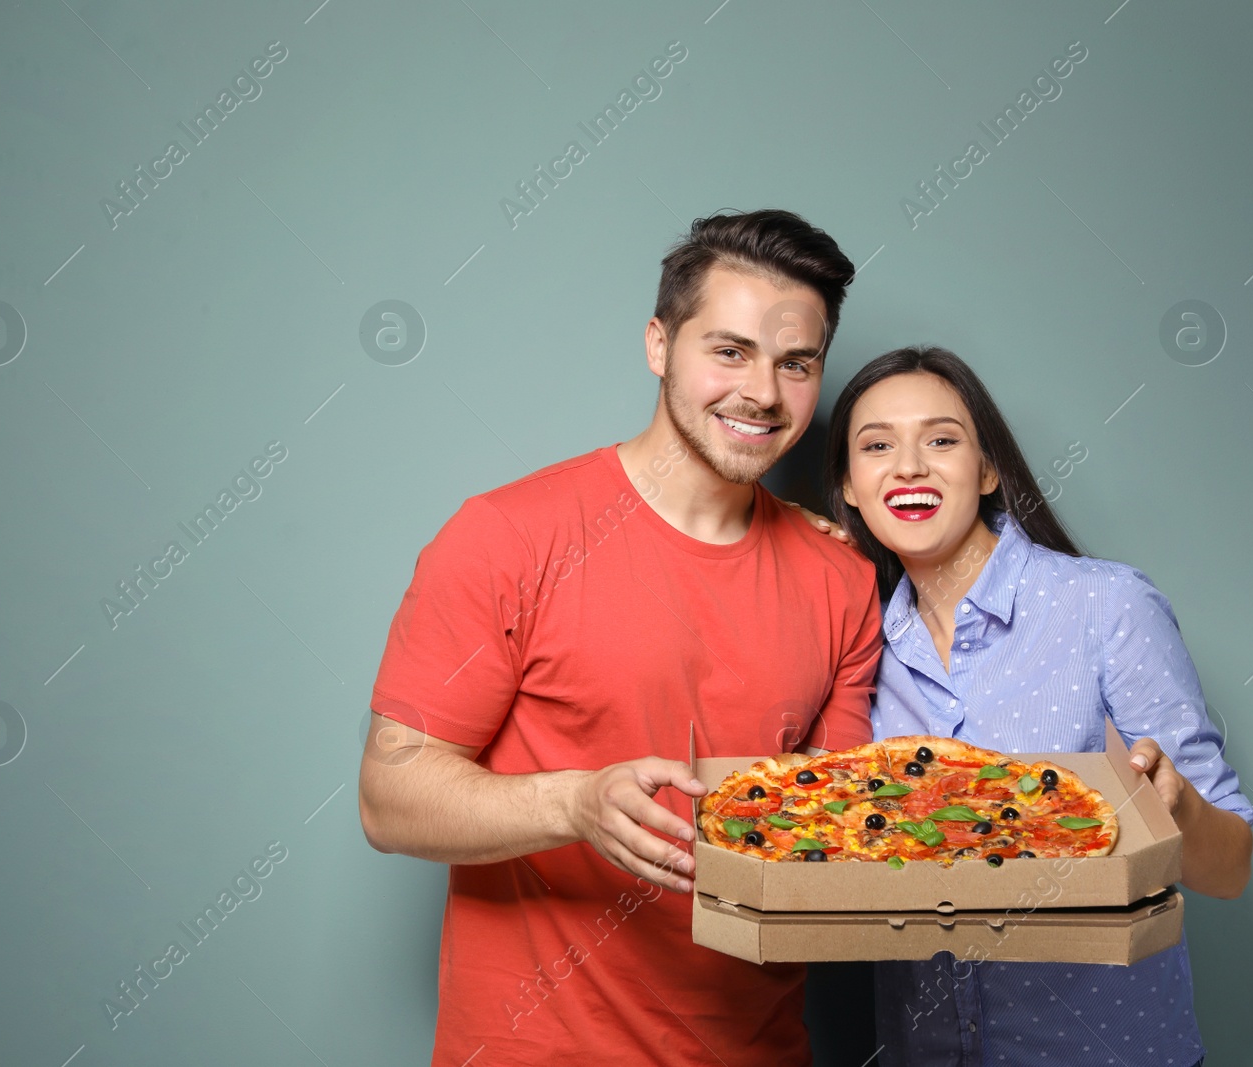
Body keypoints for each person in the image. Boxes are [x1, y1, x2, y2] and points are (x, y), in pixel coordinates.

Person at [358, 209, 885, 1066]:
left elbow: (832, 827)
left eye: (797, 364)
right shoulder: (505, 538)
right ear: (658, 344)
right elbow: (389, 797)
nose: (761, 392)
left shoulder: (841, 578)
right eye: (729, 350)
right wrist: (574, 803)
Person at [809, 344, 1253, 1066]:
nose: (909, 465)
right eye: (877, 445)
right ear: (851, 486)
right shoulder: (858, 643)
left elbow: (1230, 869)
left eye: (942, 439)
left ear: (987, 470)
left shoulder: (1107, 605)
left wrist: (1177, 811)